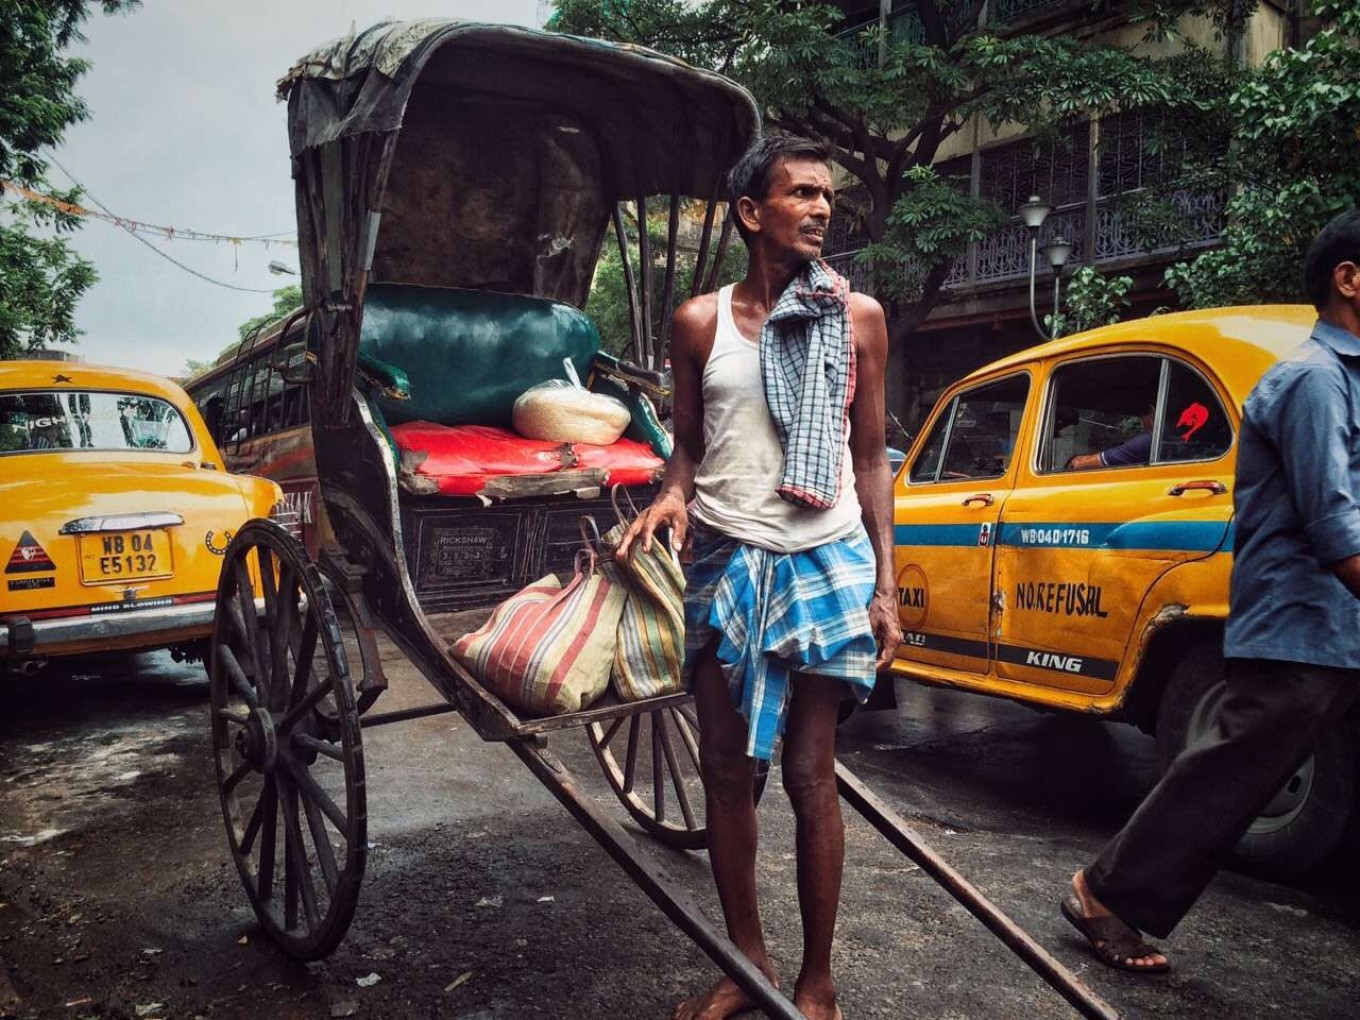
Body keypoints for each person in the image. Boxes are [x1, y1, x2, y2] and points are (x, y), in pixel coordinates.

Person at [617, 135, 900, 1020]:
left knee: (813, 771)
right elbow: (690, 445)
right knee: (728, 773)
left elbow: (870, 459)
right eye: (803, 194)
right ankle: (748, 964)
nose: (822, 208)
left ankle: (816, 985)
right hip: (725, 558)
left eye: (828, 196)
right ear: (751, 212)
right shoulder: (698, 323)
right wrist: (669, 493)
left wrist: (887, 586)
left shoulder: (860, 319)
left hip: (825, 558)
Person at [1060, 209, 1360, 973]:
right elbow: (1334, 520)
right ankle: (1106, 892)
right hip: (1299, 619)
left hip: (1334, 620)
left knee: (1232, 766)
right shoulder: (1314, 380)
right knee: (1229, 773)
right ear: (1348, 280)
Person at [1065, 403, 1154, 470]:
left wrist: (1076, 463)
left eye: (1142, 416)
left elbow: (1107, 458)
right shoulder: (1160, 441)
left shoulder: (1150, 441)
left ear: (1152, 411)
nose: (1143, 424)